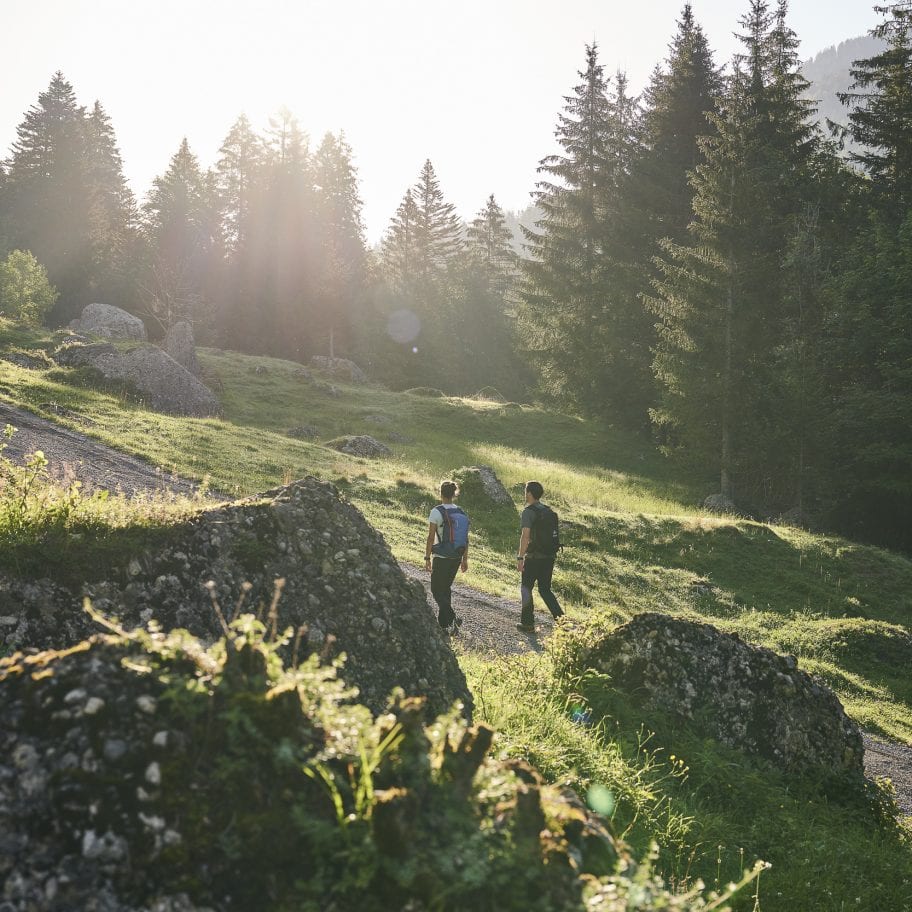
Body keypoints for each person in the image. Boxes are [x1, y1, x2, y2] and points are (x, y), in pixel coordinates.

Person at [516, 480, 563, 632]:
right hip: (549, 556)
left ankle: (528, 623)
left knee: (526, 588)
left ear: (529, 493)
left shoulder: (528, 512)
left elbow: (525, 536)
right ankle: (563, 623)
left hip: (534, 557)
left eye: (525, 491)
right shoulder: (548, 511)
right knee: (545, 590)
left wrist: (520, 557)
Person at [424, 480, 469, 633]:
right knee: (445, 588)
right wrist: (464, 559)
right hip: (456, 556)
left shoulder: (436, 511)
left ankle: (452, 618)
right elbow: (465, 537)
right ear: (454, 494)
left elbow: (431, 537)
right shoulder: (460, 511)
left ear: (441, 493)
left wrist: (427, 557)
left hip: (442, 556)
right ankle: (444, 626)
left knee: (436, 589)